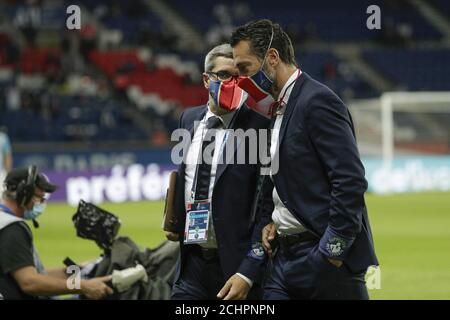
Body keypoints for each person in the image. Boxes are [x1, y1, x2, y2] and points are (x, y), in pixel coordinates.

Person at [231, 19, 378, 300]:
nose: (240, 79)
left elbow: (350, 181)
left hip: (323, 260)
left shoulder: (318, 101)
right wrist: (271, 221)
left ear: (272, 58)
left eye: (244, 68)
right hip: (282, 260)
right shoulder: (276, 110)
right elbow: (279, 182)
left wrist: (330, 253)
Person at [165, 43, 271, 300]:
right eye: (224, 75)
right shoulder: (188, 119)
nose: (232, 82)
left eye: (238, 76)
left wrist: (248, 271)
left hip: (235, 269)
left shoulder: (260, 129)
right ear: (205, 79)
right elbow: (186, 176)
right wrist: (174, 216)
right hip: (192, 266)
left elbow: (267, 207)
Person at [0, 166, 113, 300]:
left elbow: (35, 274)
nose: (41, 204)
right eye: (39, 199)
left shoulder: (4, 221)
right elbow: (29, 282)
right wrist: (83, 285)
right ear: (24, 195)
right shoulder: (12, 229)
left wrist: (79, 270)